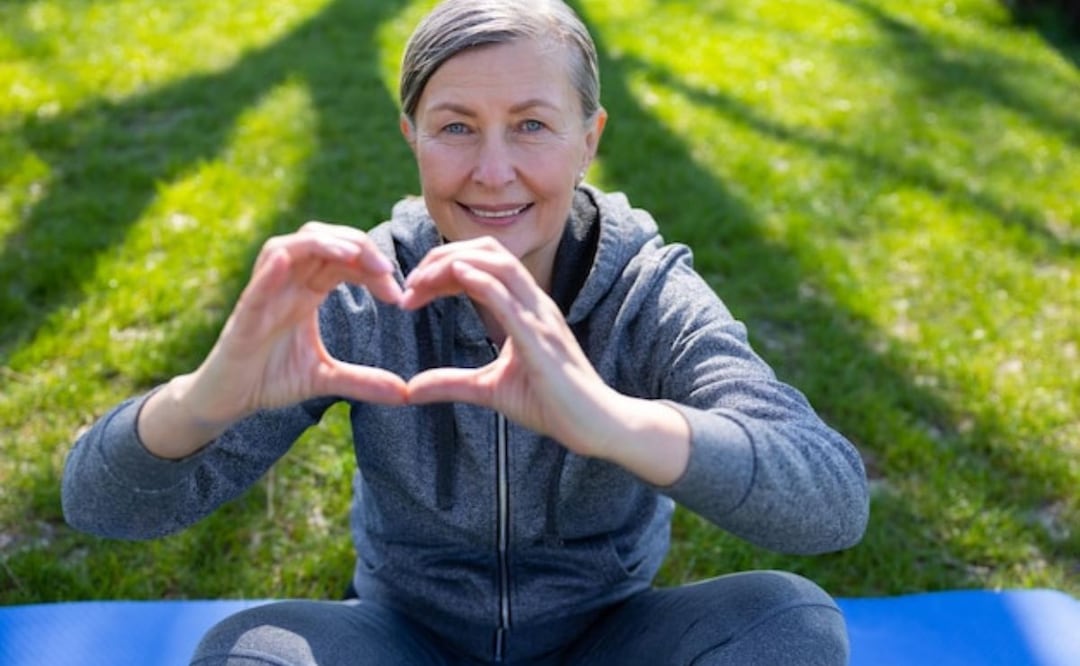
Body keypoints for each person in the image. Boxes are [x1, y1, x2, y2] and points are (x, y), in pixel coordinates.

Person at [61, 0, 869, 664]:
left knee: (788, 623)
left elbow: (831, 501)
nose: (492, 171)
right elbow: (97, 505)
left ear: (589, 139)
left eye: (531, 125)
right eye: (455, 127)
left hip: (607, 639)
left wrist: (612, 422)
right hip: (404, 639)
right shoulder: (360, 293)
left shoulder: (647, 293)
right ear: (411, 135)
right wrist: (203, 399)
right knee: (250, 653)